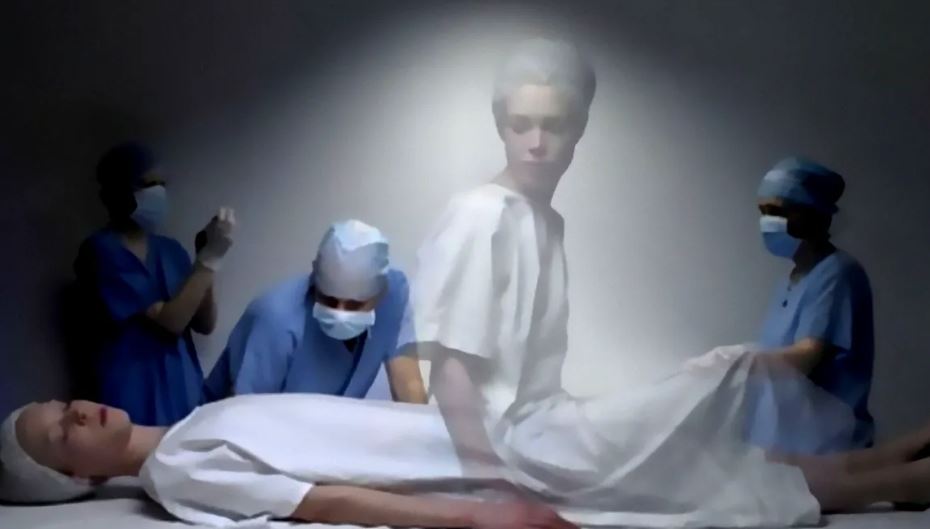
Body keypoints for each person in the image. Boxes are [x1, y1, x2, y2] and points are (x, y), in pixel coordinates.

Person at [2, 384, 930, 525]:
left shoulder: (196, 419)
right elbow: (323, 498)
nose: (78, 410)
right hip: (485, 466)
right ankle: (892, 479)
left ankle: (883, 464)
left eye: (62, 403)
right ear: (74, 476)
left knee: (678, 447)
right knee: (673, 467)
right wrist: (472, 518)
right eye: (61, 431)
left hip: (484, 430)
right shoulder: (176, 470)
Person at [74, 142, 236, 426]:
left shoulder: (171, 250)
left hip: (182, 391)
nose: (158, 192)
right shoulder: (101, 252)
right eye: (147, 184)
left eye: (162, 184)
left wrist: (205, 256)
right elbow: (172, 321)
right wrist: (207, 262)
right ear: (116, 192)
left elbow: (204, 323)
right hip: (132, 395)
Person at [204, 220, 427, 404]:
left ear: (380, 292)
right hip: (238, 425)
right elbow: (244, 413)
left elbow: (408, 383)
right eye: (329, 300)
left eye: (354, 305)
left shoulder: (393, 294)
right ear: (315, 278)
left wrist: (422, 436)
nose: (340, 314)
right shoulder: (275, 318)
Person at [745, 156, 876, 455]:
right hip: (784, 444)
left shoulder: (838, 273)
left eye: (777, 211)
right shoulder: (791, 281)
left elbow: (806, 356)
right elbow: (774, 362)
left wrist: (737, 363)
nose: (767, 222)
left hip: (827, 449)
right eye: (762, 212)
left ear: (814, 213)